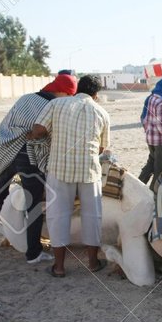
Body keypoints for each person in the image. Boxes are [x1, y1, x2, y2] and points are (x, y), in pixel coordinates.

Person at [0, 73, 77, 265]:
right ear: (63, 91)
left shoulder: (25, 98)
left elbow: (5, 123)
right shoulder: (52, 106)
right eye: (69, 95)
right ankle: (33, 253)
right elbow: (48, 134)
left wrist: (11, 140)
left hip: (7, 150)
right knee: (34, 203)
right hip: (29, 156)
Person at [28, 75, 111, 278]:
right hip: (89, 172)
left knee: (58, 216)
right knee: (92, 217)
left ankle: (59, 267)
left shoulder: (57, 104)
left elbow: (38, 130)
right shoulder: (102, 112)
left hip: (59, 170)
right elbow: (102, 147)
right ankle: (92, 263)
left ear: (77, 89)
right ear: (96, 94)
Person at [138, 78, 162, 191]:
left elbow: (145, 117)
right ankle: (153, 193)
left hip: (150, 139)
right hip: (160, 142)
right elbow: (161, 126)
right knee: (159, 170)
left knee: (150, 165)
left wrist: (148, 132)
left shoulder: (152, 97)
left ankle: (138, 186)